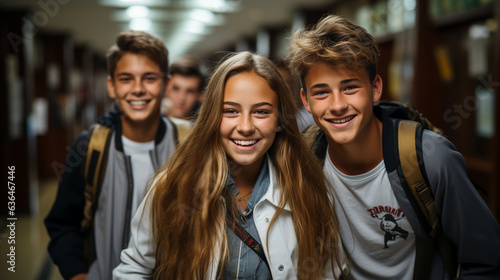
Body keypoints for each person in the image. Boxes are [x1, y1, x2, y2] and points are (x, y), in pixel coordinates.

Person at [288, 14, 500, 279]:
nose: (338, 104)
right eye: (321, 92)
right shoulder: (304, 161)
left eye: (350, 87)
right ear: (306, 102)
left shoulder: (431, 159)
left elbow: (485, 260)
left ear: (375, 89)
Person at [113, 51, 348, 279]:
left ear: (279, 119)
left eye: (261, 112)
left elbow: (329, 273)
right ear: (212, 117)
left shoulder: (309, 191)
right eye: (230, 111)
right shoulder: (172, 187)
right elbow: (134, 269)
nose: (245, 126)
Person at [45, 30, 178, 280]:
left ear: (166, 84)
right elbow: (63, 223)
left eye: (149, 78)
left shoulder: (187, 146)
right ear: (111, 86)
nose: (137, 89)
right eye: (126, 79)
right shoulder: (90, 147)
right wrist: (77, 274)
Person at [163, 56, 205, 141]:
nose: (181, 98)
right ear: (166, 89)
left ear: (200, 96)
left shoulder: (203, 137)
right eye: (176, 88)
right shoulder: (149, 127)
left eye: (190, 91)